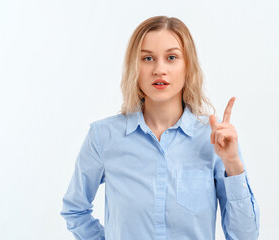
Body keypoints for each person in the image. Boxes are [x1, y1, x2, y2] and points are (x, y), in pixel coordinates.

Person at [60, 16, 260, 240]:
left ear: (188, 66)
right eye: (147, 58)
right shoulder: (103, 137)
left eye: (171, 57)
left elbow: (245, 236)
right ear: (134, 67)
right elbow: (75, 209)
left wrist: (232, 164)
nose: (159, 69)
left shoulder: (213, 139)